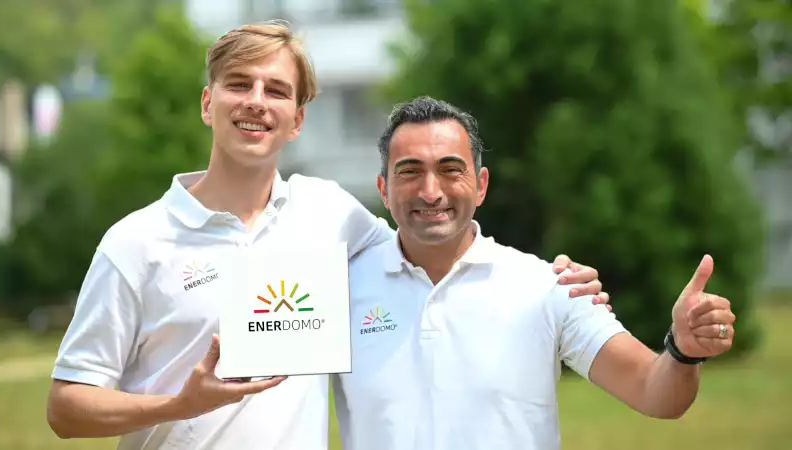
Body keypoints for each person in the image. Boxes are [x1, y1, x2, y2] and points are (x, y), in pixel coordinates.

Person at [45, 22, 606, 450]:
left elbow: (430, 246)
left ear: (297, 119)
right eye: (239, 84)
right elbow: (66, 407)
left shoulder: (331, 214)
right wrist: (174, 405)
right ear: (208, 103)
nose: (256, 102)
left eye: (277, 90)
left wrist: (548, 278)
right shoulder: (136, 242)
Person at [333, 96, 737, 450]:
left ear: (481, 185)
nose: (431, 191)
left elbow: (656, 394)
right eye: (410, 171)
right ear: (383, 189)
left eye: (450, 169)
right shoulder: (340, 289)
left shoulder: (547, 286)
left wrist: (684, 350)